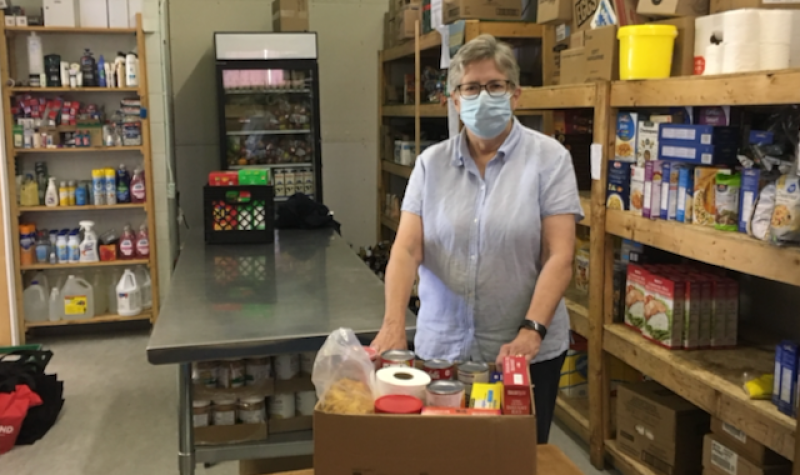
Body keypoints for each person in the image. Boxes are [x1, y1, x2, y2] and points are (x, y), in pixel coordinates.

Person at [370, 34, 583, 443]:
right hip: (442, 351)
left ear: (515, 95)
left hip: (522, 353)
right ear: (454, 99)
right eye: (471, 87)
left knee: (514, 458)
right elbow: (408, 248)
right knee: (442, 457)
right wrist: (393, 323)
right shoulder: (431, 164)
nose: (483, 96)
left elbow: (560, 255)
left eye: (495, 85)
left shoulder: (549, 159)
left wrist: (531, 330)